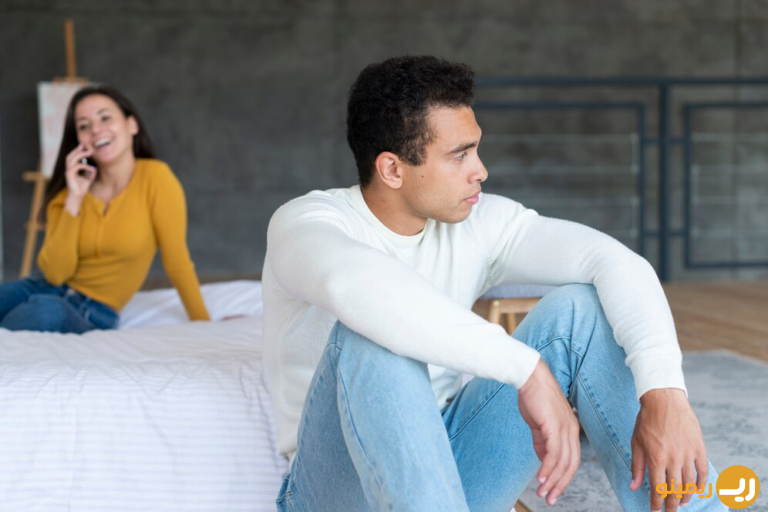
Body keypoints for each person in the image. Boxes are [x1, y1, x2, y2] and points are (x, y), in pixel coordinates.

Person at [262, 56, 725, 512]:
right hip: (341, 489)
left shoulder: (478, 223)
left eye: (476, 150)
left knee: (580, 310)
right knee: (371, 332)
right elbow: (359, 287)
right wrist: (527, 369)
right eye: (459, 155)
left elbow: (614, 261)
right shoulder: (307, 223)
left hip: (454, 463)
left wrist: (664, 392)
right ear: (393, 170)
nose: (480, 170)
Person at [0, 85, 210, 333]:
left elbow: (177, 262)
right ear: (79, 140)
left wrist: (206, 324)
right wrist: (74, 199)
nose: (96, 129)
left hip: (92, 311)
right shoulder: (68, 193)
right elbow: (55, 274)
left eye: (105, 118)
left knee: (45, 311)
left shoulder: (157, 179)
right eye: (84, 125)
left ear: (131, 125)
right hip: (39, 287)